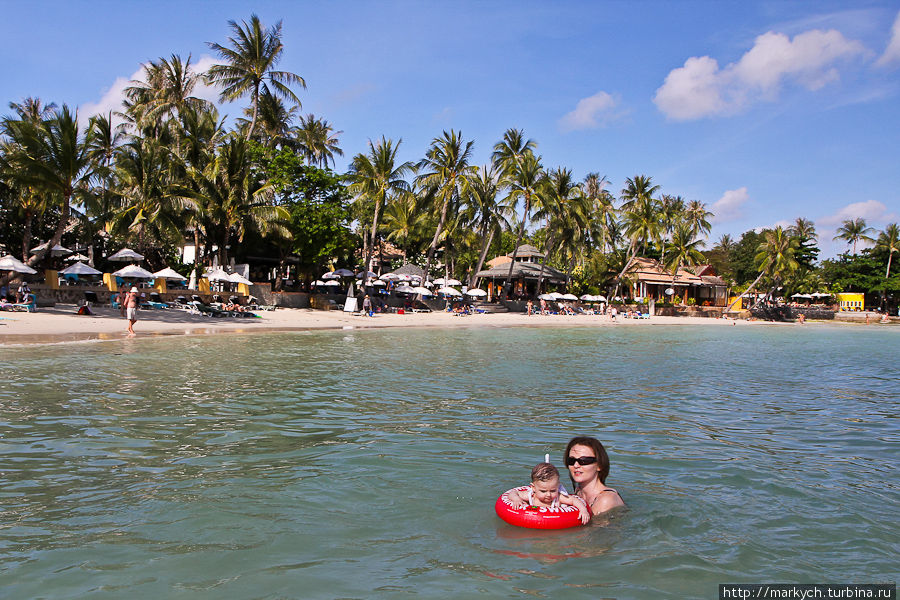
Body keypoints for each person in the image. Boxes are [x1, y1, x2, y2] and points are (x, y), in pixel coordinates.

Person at [507, 462, 591, 524]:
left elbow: (574, 500)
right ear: (533, 488)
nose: (548, 495)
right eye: (543, 491)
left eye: (553, 490)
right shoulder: (531, 495)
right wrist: (516, 499)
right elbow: (513, 493)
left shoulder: (558, 497)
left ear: (558, 487)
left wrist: (583, 510)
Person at [564, 436, 626, 515]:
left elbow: (596, 527)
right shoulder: (578, 492)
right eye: (571, 460)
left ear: (599, 465)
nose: (576, 465)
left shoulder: (606, 499)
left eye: (584, 461)